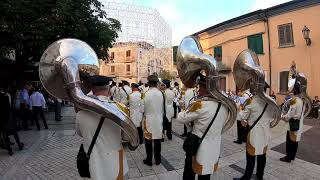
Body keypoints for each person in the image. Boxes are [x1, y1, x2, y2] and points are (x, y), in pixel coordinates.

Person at [76, 75, 128, 180]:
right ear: (108, 89)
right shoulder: (120, 109)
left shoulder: (81, 112)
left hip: (92, 163)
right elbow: (126, 137)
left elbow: (80, 133)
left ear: (92, 89)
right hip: (115, 162)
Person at [177, 74, 228, 180]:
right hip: (214, 146)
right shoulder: (224, 106)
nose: (198, 91)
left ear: (208, 90)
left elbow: (180, 118)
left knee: (189, 173)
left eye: (200, 88)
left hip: (198, 146)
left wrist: (184, 109)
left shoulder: (200, 105)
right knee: (205, 175)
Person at [234, 87, 273, 180]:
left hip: (254, 134)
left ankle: (247, 177)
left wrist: (240, 106)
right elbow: (273, 118)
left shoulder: (252, 101)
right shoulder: (271, 100)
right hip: (265, 133)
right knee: (262, 156)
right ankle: (260, 176)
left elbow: (240, 117)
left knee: (251, 156)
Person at [140, 74, 163, 166]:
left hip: (148, 120)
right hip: (159, 120)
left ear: (148, 83)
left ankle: (149, 160)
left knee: (148, 141)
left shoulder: (145, 93)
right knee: (157, 141)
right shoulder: (161, 93)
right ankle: (158, 160)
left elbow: (141, 109)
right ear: (157, 83)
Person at [280, 82, 305, 163]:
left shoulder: (294, 100)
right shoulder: (301, 100)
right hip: (298, 122)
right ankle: (292, 156)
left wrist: (284, 117)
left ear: (294, 90)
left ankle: (288, 158)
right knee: (294, 141)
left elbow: (291, 113)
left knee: (290, 141)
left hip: (292, 123)